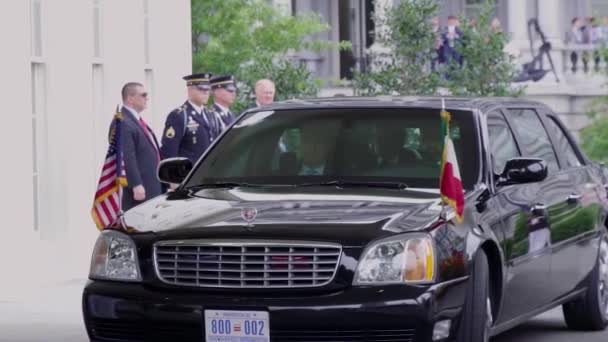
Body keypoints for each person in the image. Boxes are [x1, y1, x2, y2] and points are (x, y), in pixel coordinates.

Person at [115, 82, 162, 210]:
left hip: (151, 184)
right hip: (140, 189)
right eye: (143, 95)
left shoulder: (135, 120)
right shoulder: (124, 122)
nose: (147, 98)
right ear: (130, 99)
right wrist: (136, 184)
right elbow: (127, 157)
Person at [160, 73, 219, 163]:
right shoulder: (179, 115)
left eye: (208, 89)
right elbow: (169, 152)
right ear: (190, 90)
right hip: (189, 174)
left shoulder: (211, 115)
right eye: (202, 88)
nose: (206, 92)